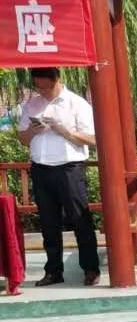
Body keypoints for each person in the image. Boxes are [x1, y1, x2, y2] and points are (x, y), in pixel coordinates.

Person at [16, 68, 99, 288]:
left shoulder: (76, 103)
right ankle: (53, 271)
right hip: (41, 168)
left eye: (46, 87)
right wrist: (33, 131)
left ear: (57, 80)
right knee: (48, 223)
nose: (42, 91)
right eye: (38, 87)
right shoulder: (31, 105)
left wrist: (64, 131)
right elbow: (22, 139)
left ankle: (90, 268)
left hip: (69, 168)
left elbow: (93, 138)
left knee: (80, 219)